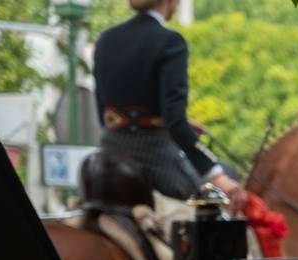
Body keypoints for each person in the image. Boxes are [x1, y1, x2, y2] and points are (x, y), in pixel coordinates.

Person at [92, 0, 244, 204]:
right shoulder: (170, 41)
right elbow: (175, 123)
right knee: (226, 178)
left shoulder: (106, 39)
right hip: (153, 159)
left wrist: (158, 119)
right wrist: (218, 177)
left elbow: (106, 114)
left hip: (109, 153)